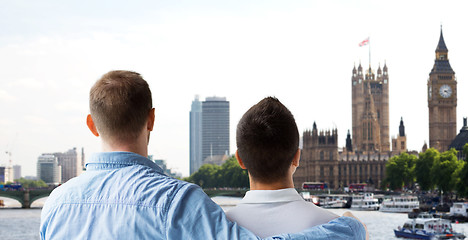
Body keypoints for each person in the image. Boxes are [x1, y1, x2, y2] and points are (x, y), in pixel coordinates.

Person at [39, 70, 366, 239]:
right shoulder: (175, 202)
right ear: (151, 119)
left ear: (92, 125)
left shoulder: (54, 205)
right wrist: (349, 228)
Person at [226, 97, 358, 237]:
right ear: (297, 157)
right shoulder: (335, 227)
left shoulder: (220, 229)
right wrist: (351, 223)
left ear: (240, 159)